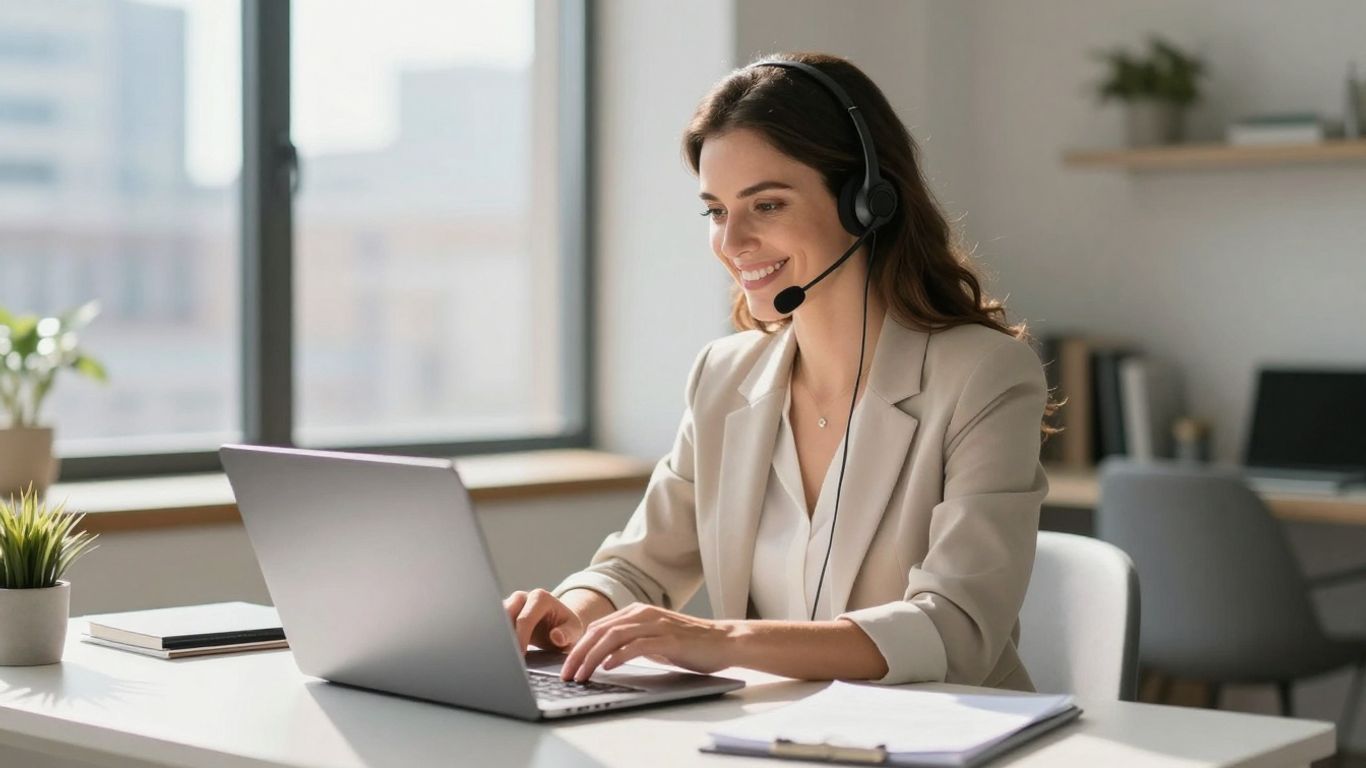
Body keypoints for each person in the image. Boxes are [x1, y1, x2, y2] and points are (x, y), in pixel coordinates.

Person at [503, 51, 1052, 691]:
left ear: (865, 203)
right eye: (715, 210)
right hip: (772, 739)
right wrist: (569, 617)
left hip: (944, 741)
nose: (731, 242)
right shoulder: (723, 376)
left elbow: (956, 631)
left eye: (766, 206)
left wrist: (721, 639)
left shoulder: (984, 375)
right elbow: (642, 568)